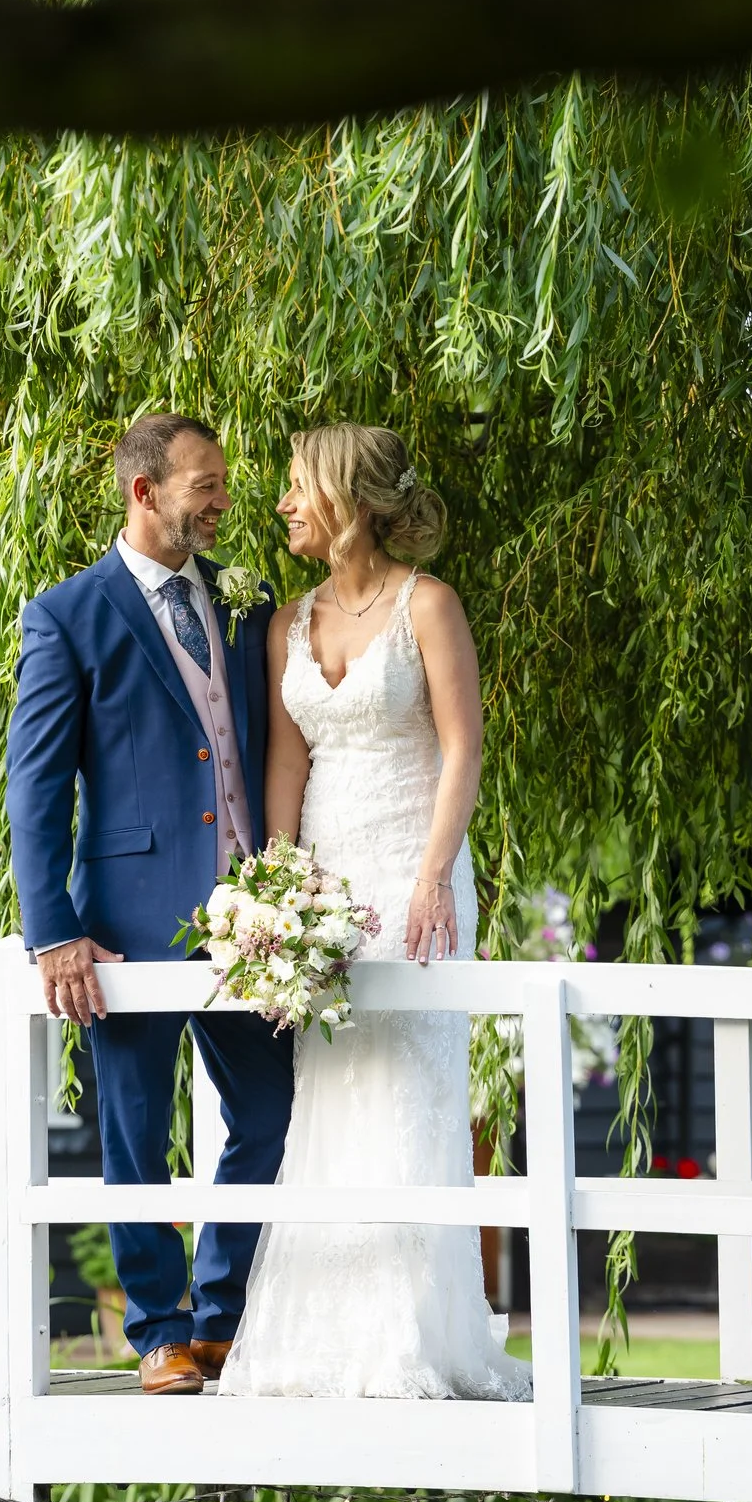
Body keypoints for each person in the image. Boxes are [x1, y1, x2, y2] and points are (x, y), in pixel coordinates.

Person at [216, 422, 530, 1400]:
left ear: (349, 496)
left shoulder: (427, 606)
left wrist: (435, 873)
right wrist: (279, 888)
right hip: (327, 877)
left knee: (405, 1088)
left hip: (411, 868)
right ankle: (323, 1334)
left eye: (297, 487)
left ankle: (412, 1335)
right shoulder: (285, 623)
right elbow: (284, 761)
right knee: (332, 1088)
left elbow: (462, 748)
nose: (282, 505)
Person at [4, 412, 294, 1396]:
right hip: (124, 924)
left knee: (269, 1109)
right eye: (203, 485)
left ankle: (220, 1312)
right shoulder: (68, 615)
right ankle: (159, 1328)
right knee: (133, 1132)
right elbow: (34, 788)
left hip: (252, 918)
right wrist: (54, 931)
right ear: (143, 491)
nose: (220, 500)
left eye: (220, 483)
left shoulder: (244, 600)